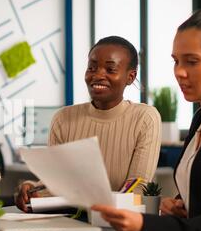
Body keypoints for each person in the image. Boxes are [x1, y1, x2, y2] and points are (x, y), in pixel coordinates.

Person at [92, 9, 201, 231]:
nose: (179, 72)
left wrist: (144, 224)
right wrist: (179, 205)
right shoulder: (199, 120)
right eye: (175, 61)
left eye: (192, 61)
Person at [15, 36, 162, 212]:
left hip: (120, 222)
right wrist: (33, 189)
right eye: (91, 67)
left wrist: (101, 208)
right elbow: (57, 182)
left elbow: (139, 185)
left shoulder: (145, 118)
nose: (98, 75)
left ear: (130, 77)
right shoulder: (63, 118)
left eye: (110, 69)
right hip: (69, 221)